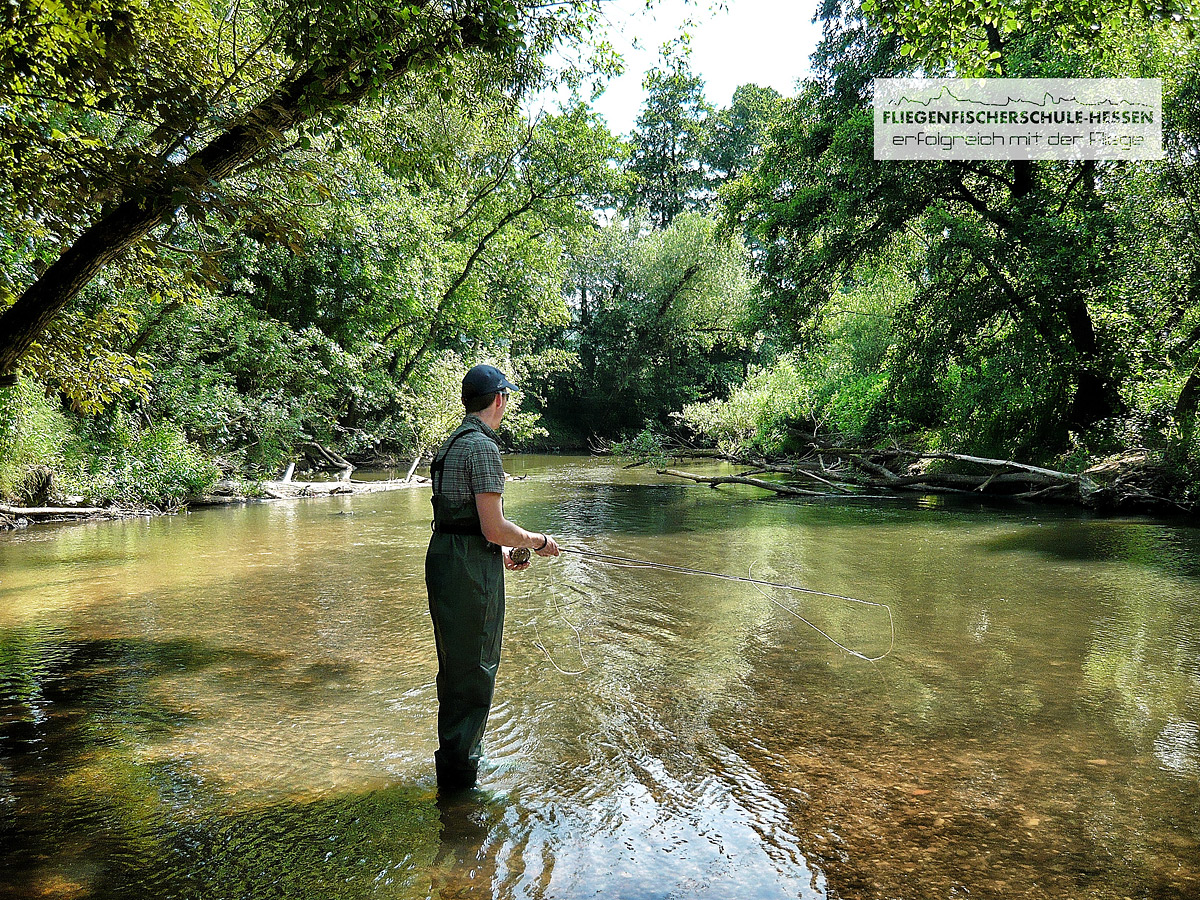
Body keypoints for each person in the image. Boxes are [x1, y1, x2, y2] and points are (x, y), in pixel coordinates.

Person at [425, 363, 560, 793]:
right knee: (476, 670)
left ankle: (453, 767)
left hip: (446, 559)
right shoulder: (483, 448)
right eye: (508, 397)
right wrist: (538, 541)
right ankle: (461, 788)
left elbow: (461, 520)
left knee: (455, 670)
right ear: (499, 399)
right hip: (468, 570)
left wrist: (499, 551)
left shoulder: (451, 445)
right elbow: (493, 525)